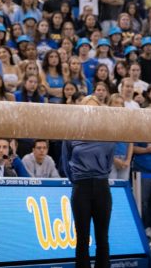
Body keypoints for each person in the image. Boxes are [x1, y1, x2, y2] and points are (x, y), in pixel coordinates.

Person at [63, 96, 116, 268]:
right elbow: (65, 162)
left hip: (101, 186)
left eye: (94, 108)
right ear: (81, 110)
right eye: (87, 107)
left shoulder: (107, 134)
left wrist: (99, 176)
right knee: (82, 238)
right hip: (81, 187)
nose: (90, 111)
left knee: (102, 238)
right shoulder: (72, 133)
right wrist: (78, 179)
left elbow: (109, 163)